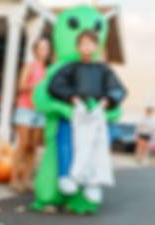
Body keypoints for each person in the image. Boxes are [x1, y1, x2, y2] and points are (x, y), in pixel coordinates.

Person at [48, 30, 126, 203]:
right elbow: (55, 85)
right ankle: (66, 176)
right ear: (78, 46)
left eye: (90, 43)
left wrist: (107, 101)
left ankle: (93, 182)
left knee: (97, 146)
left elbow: (118, 89)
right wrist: (72, 97)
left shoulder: (104, 69)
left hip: (97, 114)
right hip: (74, 112)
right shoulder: (70, 67)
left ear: (96, 46)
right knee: (67, 139)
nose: (87, 46)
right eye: (83, 43)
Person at [10, 37, 50, 193]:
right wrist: (37, 85)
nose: (44, 51)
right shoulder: (29, 66)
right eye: (41, 48)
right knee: (23, 144)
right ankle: (14, 180)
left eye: (46, 48)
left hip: (40, 112)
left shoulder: (48, 71)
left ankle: (26, 181)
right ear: (35, 51)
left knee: (33, 147)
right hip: (25, 109)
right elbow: (20, 86)